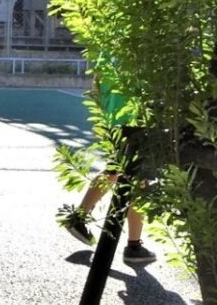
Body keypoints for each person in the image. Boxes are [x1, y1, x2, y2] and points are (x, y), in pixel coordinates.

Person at [58, 56, 156, 264]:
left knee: (115, 171)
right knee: (137, 180)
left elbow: (96, 82)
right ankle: (133, 246)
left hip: (114, 119)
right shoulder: (141, 42)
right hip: (136, 120)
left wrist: (101, 116)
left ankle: (81, 217)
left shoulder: (108, 45)